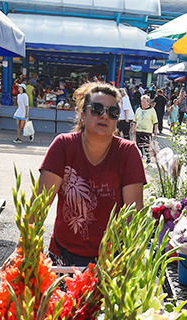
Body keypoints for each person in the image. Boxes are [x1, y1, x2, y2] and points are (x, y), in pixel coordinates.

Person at [36, 81, 146, 267]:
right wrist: (25, 249)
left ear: (116, 121)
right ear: (83, 116)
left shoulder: (128, 152)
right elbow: (39, 206)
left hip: (110, 260)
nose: (104, 115)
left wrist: (133, 260)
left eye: (112, 112)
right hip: (63, 256)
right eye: (96, 109)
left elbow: (133, 214)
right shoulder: (63, 146)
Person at [134, 94, 158, 163]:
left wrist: (155, 130)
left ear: (148, 102)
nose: (143, 103)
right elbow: (135, 120)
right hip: (138, 130)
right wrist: (133, 129)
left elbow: (155, 121)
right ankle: (140, 156)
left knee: (146, 146)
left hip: (147, 131)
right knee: (138, 145)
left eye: (144, 102)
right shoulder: (138, 110)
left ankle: (148, 157)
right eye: (142, 102)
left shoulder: (152, 110)